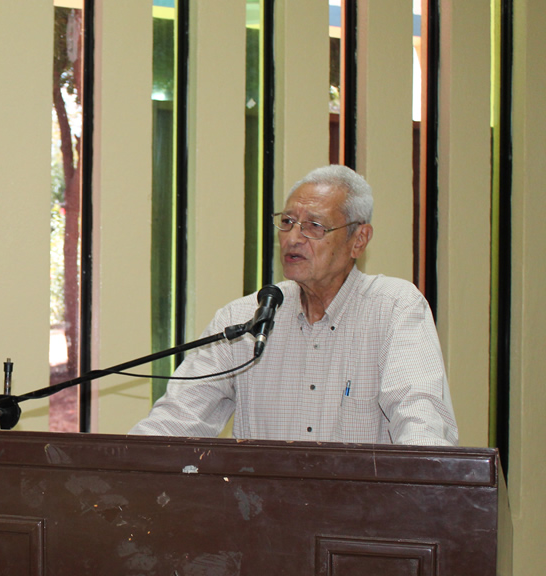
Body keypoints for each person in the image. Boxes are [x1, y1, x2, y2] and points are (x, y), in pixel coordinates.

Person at [132, 165, 458, 445]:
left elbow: (422, 424)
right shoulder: (245, 318)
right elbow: (176, 420)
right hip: (261, 514)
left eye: (314, 226)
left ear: (359, 239)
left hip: (360, 515)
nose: (293, 238)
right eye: (287, 222)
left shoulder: (394, 309)